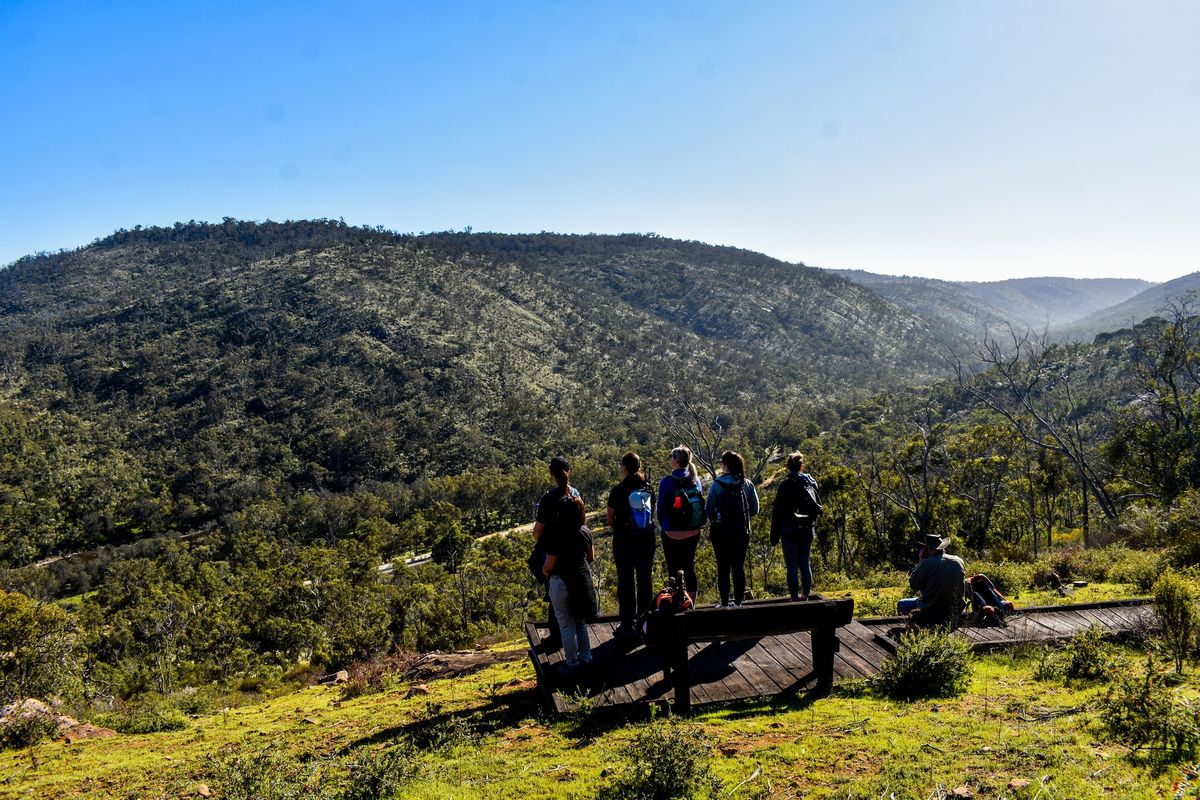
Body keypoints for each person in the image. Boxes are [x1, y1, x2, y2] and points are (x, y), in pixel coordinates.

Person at [542, 493, 597, 675]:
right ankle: (587, 658)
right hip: (581, 580)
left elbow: (548, 567)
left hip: (561, 582)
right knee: (580, 622)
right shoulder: (585, 532)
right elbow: (591, 557)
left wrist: (544, 572)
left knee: (566, 625)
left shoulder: (556, 535)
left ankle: (572, 663)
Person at [606, 451, 657, 638]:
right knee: (645, 580)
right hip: (646, 539)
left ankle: (627, 624)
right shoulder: (648, 488)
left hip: (624, 541)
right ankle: (644, 622)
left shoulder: (618, 491)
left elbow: (610, 519)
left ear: (625, 468)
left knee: (626, 582)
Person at [531, 456, 580, 647]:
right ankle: (571, 634)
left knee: (554, 594)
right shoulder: (576, 494)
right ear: (569, 472)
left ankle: (557, 638)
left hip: (553, 552)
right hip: (574, 551)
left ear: (552, 474)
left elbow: (538, 531)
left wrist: (545, 543)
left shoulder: (549, 498)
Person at [706, 450, 760, 607]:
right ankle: (738, 602)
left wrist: (718, 518)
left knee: (723, 568)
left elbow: (709, 510)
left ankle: (723, 603)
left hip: (721, 532)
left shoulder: (717, 484)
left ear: (725, 465)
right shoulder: (747, 484)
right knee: (738, 567)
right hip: (741, 532)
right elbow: (755, 510)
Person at [770, 452, 822, 600]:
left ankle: (794, 598)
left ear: (787, 466)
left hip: (789, 530)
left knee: (791, 565)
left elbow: (777, 513)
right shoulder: (811, 482)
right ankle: (805, 595)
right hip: (807, 529)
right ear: (801, 466)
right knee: (805, 563)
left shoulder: (785, 486)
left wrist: (774, 535)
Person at [657, 445, 705, 601]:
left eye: (671, 457)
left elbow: (661, 508)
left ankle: (676, 602)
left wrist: (664, 524)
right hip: (693, 531)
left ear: (676, 460)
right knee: (689, 567)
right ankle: (691, 604)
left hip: (671, 531)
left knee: (673, 569)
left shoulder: (666, 482)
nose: (670, 460)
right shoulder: (695, 480)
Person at [898, 533, 968, 628]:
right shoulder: (958, 560)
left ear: (929, 549)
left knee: (902, 604)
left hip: (932, 610)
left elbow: (913, 585)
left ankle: (910, 630)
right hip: (955, 610)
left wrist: (920, 561)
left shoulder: (926, 564)